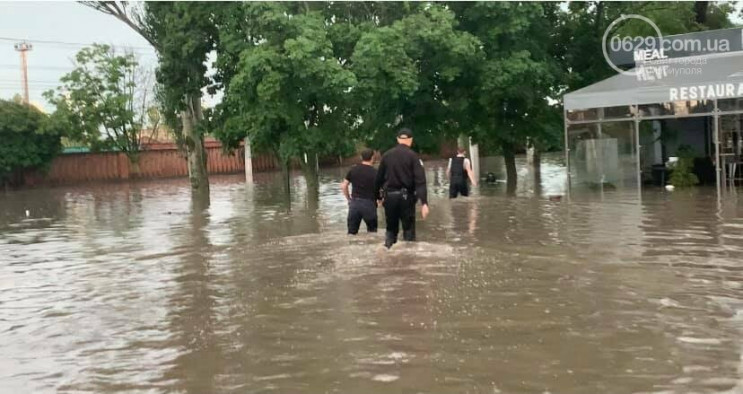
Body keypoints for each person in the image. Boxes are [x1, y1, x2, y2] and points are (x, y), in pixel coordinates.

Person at [374, 128, 430, 249]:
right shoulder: (414, 157)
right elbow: (420, 181)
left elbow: (378, 179)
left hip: (390, 198)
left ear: (398, 139)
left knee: (390, 230)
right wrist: (424, 202)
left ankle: (388, 252)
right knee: (408, 231)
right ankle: (409, 259)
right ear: (411, 140)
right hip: (406, 198)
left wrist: (378, 197)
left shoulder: (386, 156)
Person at [341, 149, 378, 235]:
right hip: (369, 204)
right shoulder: (375, 172)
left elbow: (344, 186)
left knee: (351, 233)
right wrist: (380, 200)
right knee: (372, 234)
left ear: (361, 157)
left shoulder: (353, 170)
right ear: (373, 157)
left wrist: (349, 199)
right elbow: (382, 189)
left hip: (355, 204)